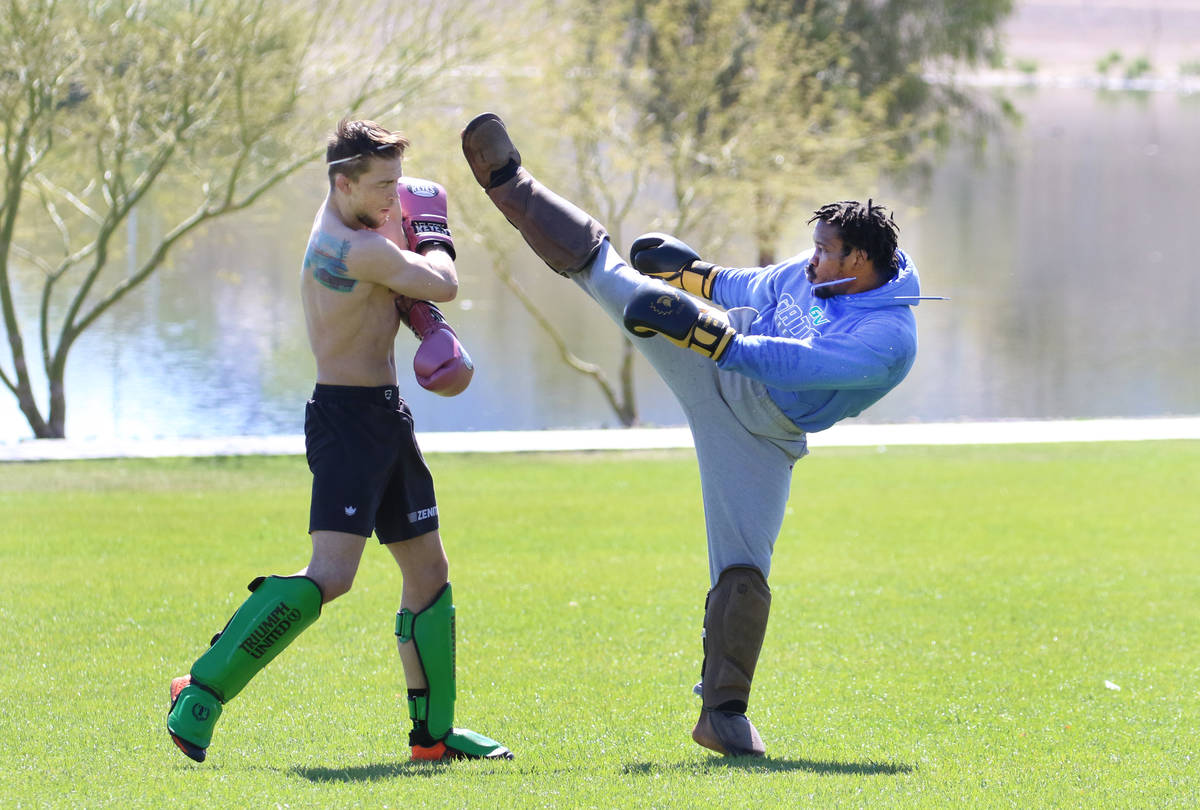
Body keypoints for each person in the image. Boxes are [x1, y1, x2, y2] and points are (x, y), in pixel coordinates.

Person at [460, 112, 922, 758]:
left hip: (766, 428)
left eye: (823, 250)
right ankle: (511, 182)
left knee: (744, 569)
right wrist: (696, 276)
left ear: (861, 260)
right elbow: (754, 286)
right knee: (615, 281)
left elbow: (796, 366)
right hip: (718, 356)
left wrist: (714, 337)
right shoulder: (818, 269)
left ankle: (723, 717)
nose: (811, 257)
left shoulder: (889, 341)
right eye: (814, 246)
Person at [167, 119, 511, 763]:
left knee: (429, 572)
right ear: (342, 180)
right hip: (348, 423)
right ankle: (202, 687)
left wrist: (418, 313)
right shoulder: (354, 247)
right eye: (383, 185)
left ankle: (432, 739)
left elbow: (402, 294)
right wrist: (433, 232)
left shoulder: (359, 226)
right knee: (331, 576)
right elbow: (441, 281)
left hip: (384, 416)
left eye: (399, 183)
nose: (394, 197)